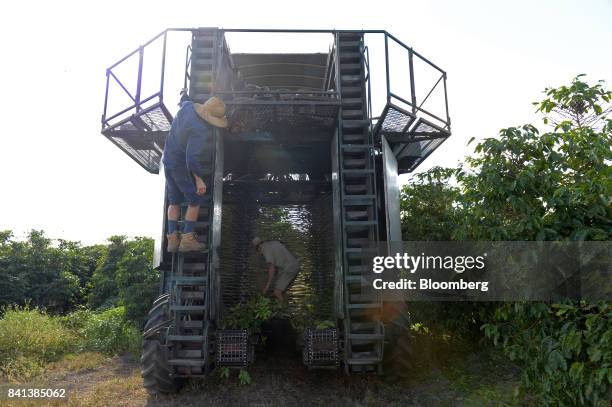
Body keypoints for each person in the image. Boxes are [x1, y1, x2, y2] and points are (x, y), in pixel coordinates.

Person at [163, 96, 228, 252]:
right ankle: (187, 240)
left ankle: (172, 241)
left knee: (174, 201)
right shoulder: (200, 129)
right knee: (195, 199)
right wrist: (198, 179)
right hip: (179, 165)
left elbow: (184, 101)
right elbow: (191, 158)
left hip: (167, 160)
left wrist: (184, 97)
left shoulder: (187, 107)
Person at [252, 237, 300, 302]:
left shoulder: (265, 249)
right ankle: (283, 304)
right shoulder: (273, 243)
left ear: (258, 246)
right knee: (279, 289)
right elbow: (280, 258)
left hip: (289, 268)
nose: (259, 252)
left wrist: (267, 287)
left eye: (257, 249)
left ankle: (283, 310)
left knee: (277, 292)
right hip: (291, 265)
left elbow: (271, 268)